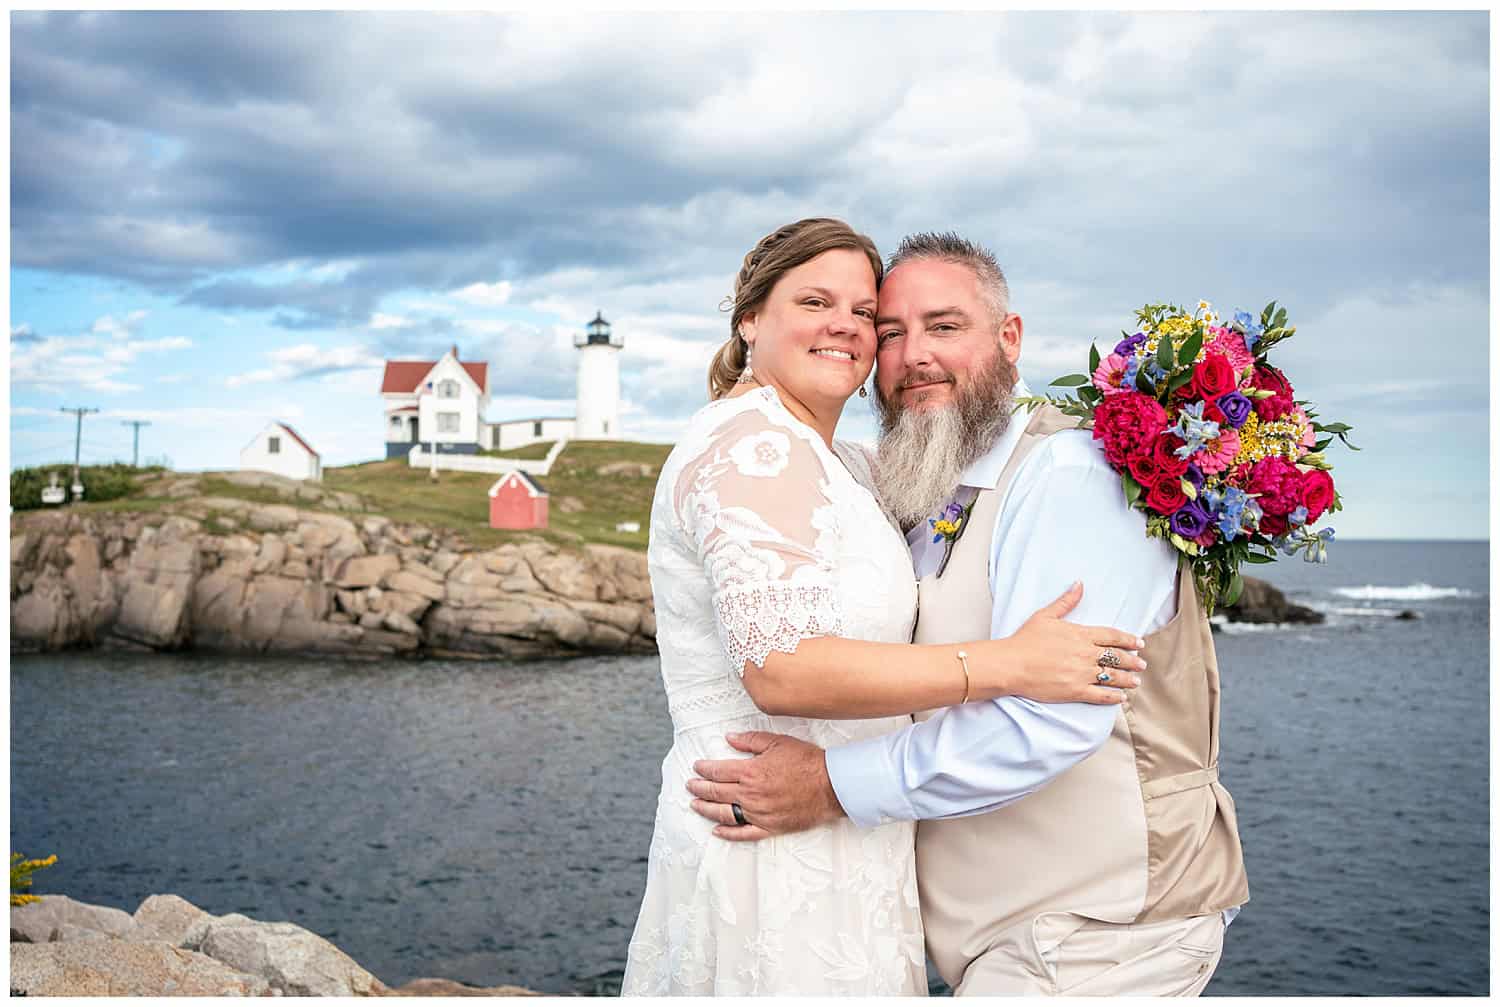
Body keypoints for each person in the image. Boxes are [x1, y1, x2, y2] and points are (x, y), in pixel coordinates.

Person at [687, 232, 1249, 996]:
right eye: (891, 333)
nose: (915, 354)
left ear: (1009, 338)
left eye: (945, 326)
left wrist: (828, 783)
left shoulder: (1070, 474)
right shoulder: (929, 480)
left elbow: (1045, 721)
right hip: (1008, 932)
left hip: (1101, 926)